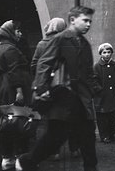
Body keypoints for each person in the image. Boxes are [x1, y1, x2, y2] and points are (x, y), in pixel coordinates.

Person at [16, 6, 102, 171]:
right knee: (56, 136)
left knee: (87, 136)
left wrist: (96, 89)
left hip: (80, 98)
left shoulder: (84, 43)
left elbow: (87, 72)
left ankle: (91, 168)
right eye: (85, 20)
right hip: (63, 96)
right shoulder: (60, 39)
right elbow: (44, 63)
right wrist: (40, 89)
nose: (88, 24)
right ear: (72, 20)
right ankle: (27, 161)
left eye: (90, 21)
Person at [30, 18, 80, 160]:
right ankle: (74, 148)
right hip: (66, 86)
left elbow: (34, 65)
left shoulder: (41, 44)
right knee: (70, 118)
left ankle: (54, 151)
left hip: (48, 87)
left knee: (52, 120)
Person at [0, 20, 32, 170]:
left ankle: (8, 157)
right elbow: (14, 71)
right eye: (17, 31)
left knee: (8, 121)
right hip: (13, 89)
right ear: (10, 32)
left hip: (5, 87)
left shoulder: (2, 47)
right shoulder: (10, 49)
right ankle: (18, 157)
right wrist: (19, 91)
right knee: (18, 121)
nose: (20, 33)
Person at [93, 43, 115, 142]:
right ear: (100, 54)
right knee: (102, 117)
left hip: (112, 95)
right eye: (104, 52)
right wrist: (99, 90)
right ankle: (104, 135)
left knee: (112, 116)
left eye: (109, 52)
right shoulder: (97, 66)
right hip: (102, 97)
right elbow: (94, 80)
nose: (107, 55)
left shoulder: (113, 65)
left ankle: (113, 133)